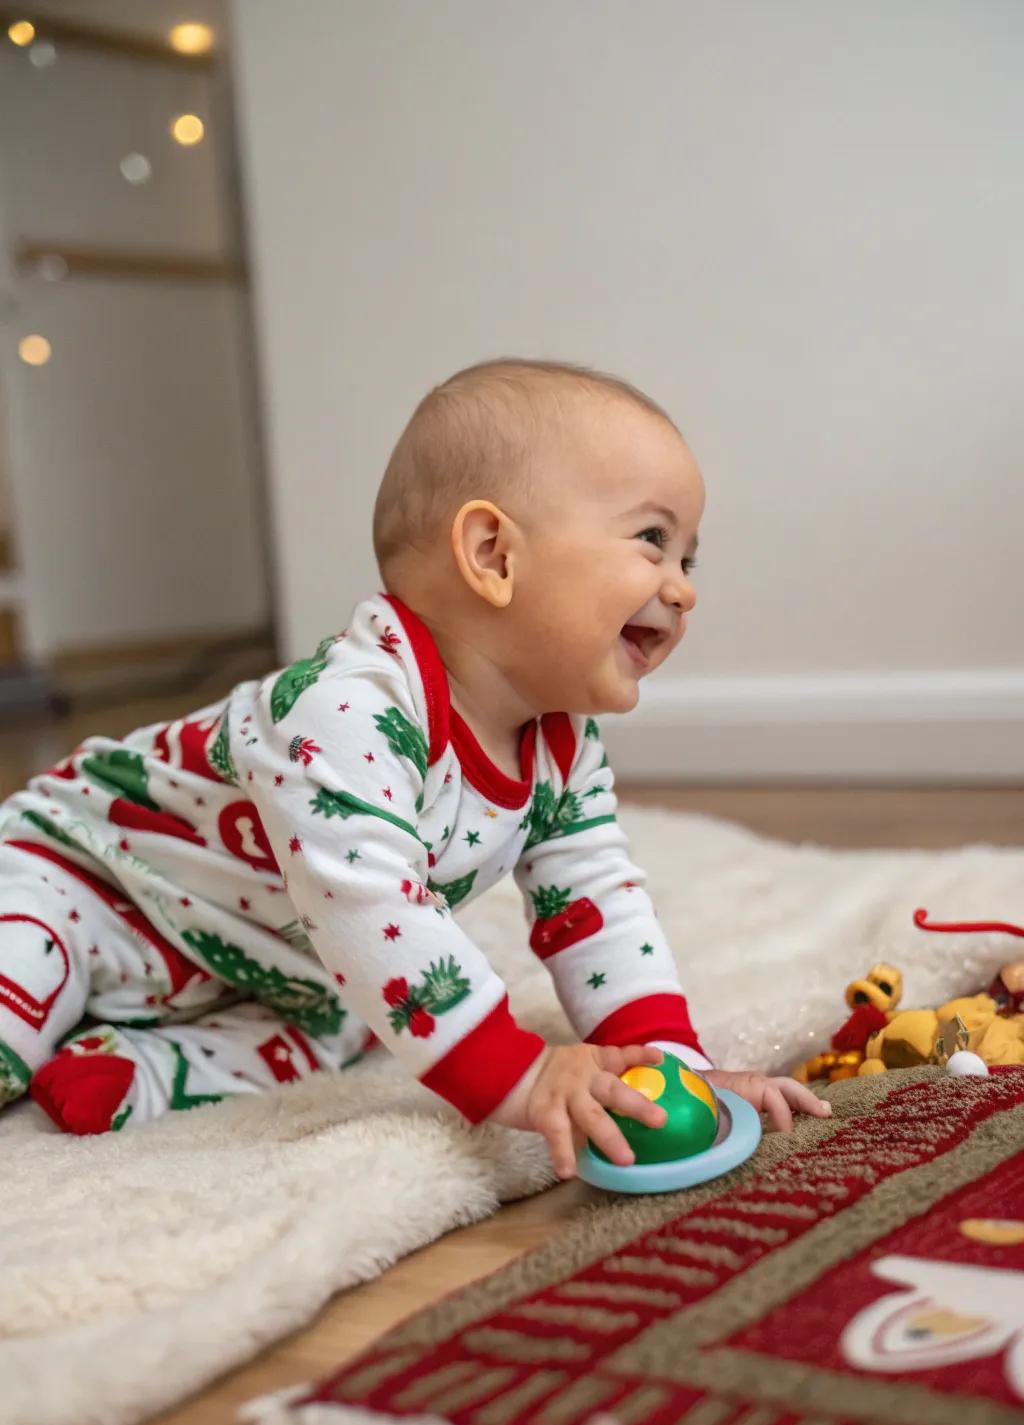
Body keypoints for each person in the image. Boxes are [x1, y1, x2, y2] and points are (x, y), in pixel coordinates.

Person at [0, 358, 829, 1173]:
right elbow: (369, 905)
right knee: (379, 967)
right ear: (493, 555)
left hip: (268, 960)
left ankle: (142, 1070)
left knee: (358, 1018)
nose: (682, 588)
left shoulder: (563, 745)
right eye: (652, 540)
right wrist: (526, 1076)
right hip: (89, 885)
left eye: (689, 558)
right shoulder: (347, 709)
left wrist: (672, 1068)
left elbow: (595, 904)